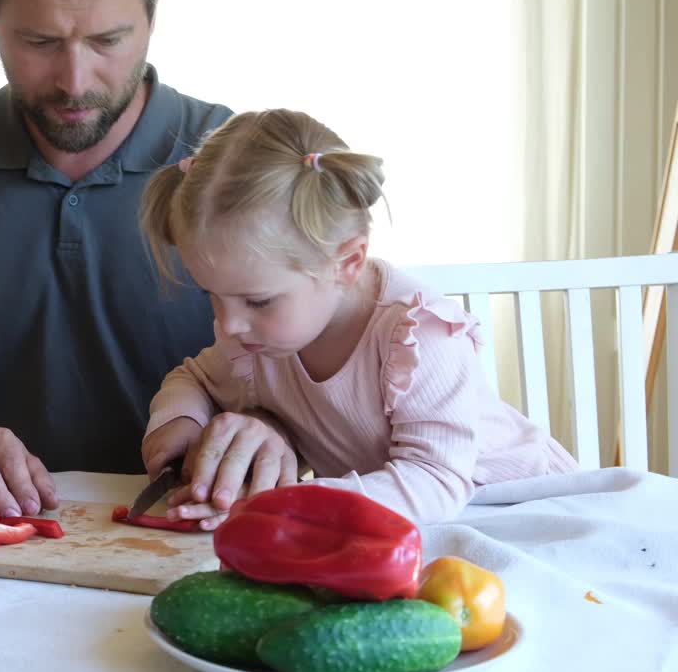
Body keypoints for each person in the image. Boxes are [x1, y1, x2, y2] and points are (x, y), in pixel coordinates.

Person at [0, 0, 294, 519]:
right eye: (40, 41)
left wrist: (271, 433)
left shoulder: (240, 167)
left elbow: (320, 373)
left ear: (151, 20)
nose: (74, 82)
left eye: (107, 41)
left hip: (194, 521)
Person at [139, 108, 579, 526]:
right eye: (212, 295)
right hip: (424, 530)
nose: (228, 324)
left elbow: (436, 483)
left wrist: (291, 504)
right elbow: (192, 379)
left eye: (257, 301)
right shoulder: (259, 338)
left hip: (533, 508)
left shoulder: (419, 335)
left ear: (347, 262)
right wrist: (180, 423)